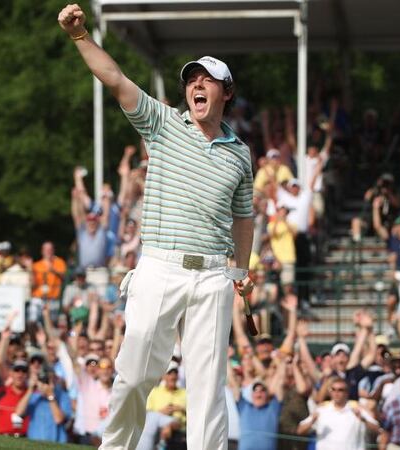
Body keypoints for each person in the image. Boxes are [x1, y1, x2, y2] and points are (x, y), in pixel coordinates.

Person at [58, 6, 255, 449]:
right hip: (160, 266)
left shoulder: (240, 153)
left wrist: (240, 271)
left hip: (213, 276)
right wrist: (80, 37)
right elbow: (116, 79)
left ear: (226, 92)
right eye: (191, 80)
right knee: (133, 374)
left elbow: (244, 216)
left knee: (209, 389)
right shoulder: (164, 123)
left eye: (206, 79)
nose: (196, 85)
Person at [297, 377, 378, 450]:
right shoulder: (321, 410)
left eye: (340, 390)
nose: (336, 393)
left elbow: (377, 429)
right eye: (333, 389)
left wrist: (364, 420)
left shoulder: (357, 409)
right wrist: (312, 420)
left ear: (347, 392)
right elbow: (300, 430)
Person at [228, 359, 285, 450]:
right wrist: (227, 358)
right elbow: (232, 381)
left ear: (267, 394)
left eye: (262, 391)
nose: (258, 394)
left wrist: (281, 362)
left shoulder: (273, 408)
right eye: (255, 391)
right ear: (252, 395)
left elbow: (280, 381)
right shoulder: (244, 407)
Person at [15, 366, 73, 443]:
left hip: (57, 443)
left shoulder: (63, 396)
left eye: (48, 380)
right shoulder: (34, 396)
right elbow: (18, 413)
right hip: (34, 443)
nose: (45, 383)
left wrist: (50, 396)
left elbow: (58, 419)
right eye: (43, 380)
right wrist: (30, 389)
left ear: (55, 379)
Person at [138, 362, 187, 450]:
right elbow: (147, 415)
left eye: (175, 373)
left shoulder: (185, 393)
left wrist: (181, 409)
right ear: (164, 376)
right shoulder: (154, 392)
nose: (172, 376)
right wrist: (161, 413)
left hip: (180, 433)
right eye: (169, 373)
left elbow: (193, 414)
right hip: (158, 433)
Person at [29, 241, 67, 324]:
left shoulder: (59, 263)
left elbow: (65, 278)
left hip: (53, 298)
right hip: (38, 297)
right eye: (46, 249)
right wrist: (30, 271)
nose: (48, 251)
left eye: (50, 249)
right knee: (33, 321)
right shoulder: (36, 265)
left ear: (53, 250)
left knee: (52, 323)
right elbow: (33, 285)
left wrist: (54, 270)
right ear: (42, 251)